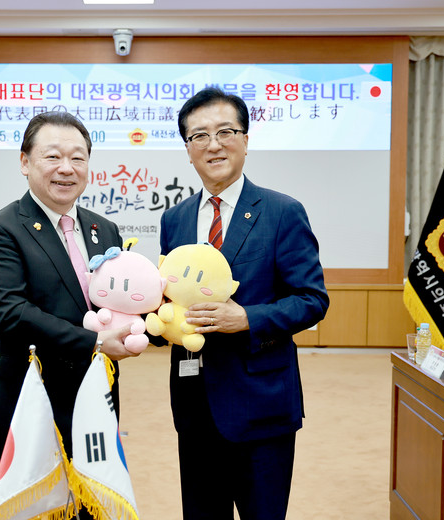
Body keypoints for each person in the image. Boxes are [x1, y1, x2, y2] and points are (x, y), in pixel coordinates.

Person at [160, 87, 329, 520]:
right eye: (199, 135)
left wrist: (247, 318)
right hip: (194, 406)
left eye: (225, 132)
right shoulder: (175, 219)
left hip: (262, 405)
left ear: (246, 140)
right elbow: (170, 298)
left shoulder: (282, 211)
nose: (213, 144)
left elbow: (312, 300)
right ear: (188, 150)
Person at [0, 112, 138, 506]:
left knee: (93, 508)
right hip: (31, 405)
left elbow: (117, 301)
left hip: (95, 403)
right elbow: (10, 314)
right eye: (53, 156)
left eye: (78, 158)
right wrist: (96, 342)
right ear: (25, 162)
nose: (67, 168)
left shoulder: (104, 229)